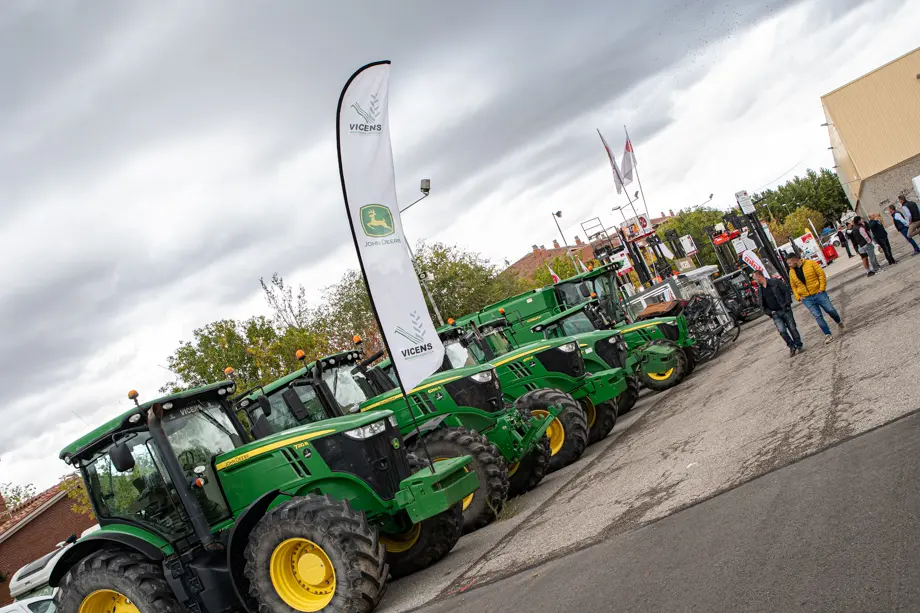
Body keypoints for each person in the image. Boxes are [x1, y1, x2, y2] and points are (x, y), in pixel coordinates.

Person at [786, 253, 845, 343]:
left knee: (830, 310)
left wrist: (822, 288)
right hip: (806, 298)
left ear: (795, 260)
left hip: (818, 293)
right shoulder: (791, 272)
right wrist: (798, 297)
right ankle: (828, 334)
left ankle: (838, 321)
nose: (789, 265)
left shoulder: (810, 263)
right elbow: (793, 286)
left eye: (789, 263)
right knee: (817, 316)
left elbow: (821, 274)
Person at [753, 270, 802, 356]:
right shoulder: (760, 290)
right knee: (782, 331)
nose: (754, 281)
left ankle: (798, 344)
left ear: (759, 277)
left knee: (792, 328)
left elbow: (786, 291)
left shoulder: (774, 282)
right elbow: (762, 304)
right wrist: (769, 312)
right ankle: (791, 346)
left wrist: (787, 304)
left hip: (785, 309)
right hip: (775, 314)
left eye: (755, 279)